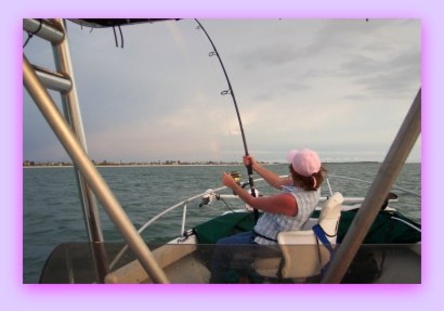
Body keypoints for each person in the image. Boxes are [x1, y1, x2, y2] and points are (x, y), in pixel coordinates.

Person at [209, 148, 327, 283]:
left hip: (268, 245)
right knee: (235, 245)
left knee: (222, 246)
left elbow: (252, 201)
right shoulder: (313, 185)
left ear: (294, 171)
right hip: (273, 237)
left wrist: (234, 186)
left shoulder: (290, 200)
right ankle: (244, 279)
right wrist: (255, 165)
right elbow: (276, 181)